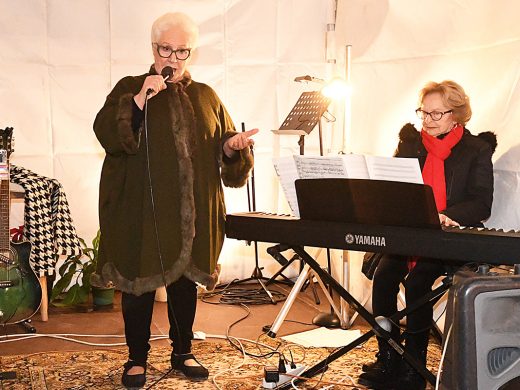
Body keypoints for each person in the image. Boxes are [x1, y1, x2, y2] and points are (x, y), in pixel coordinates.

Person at [91, 12, 257, 388]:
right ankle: (136, 359)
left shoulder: (206, 95)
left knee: (185, 283)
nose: (173, 58)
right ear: (153, 48)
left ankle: (183, 351)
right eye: (166, 49)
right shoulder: (130, 86)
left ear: (190, 53)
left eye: (182, 51)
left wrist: (232, 148)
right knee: (138, 282)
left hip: (194, 211)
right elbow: (107, 133)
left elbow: (225, 146)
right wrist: (138, 100)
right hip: (142, 211)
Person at [358, 80, 496, 390]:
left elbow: (481, 202)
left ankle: (414, 365)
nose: (428, 120)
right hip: (411, 232)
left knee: (419, 280)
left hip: (449, 236)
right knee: (384, 276)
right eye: (424, 112)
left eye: (437, 114)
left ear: (456, 115)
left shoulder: (476, 149)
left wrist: (450, 215)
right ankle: (389, 357)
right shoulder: (411, 144)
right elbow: (392, 189)